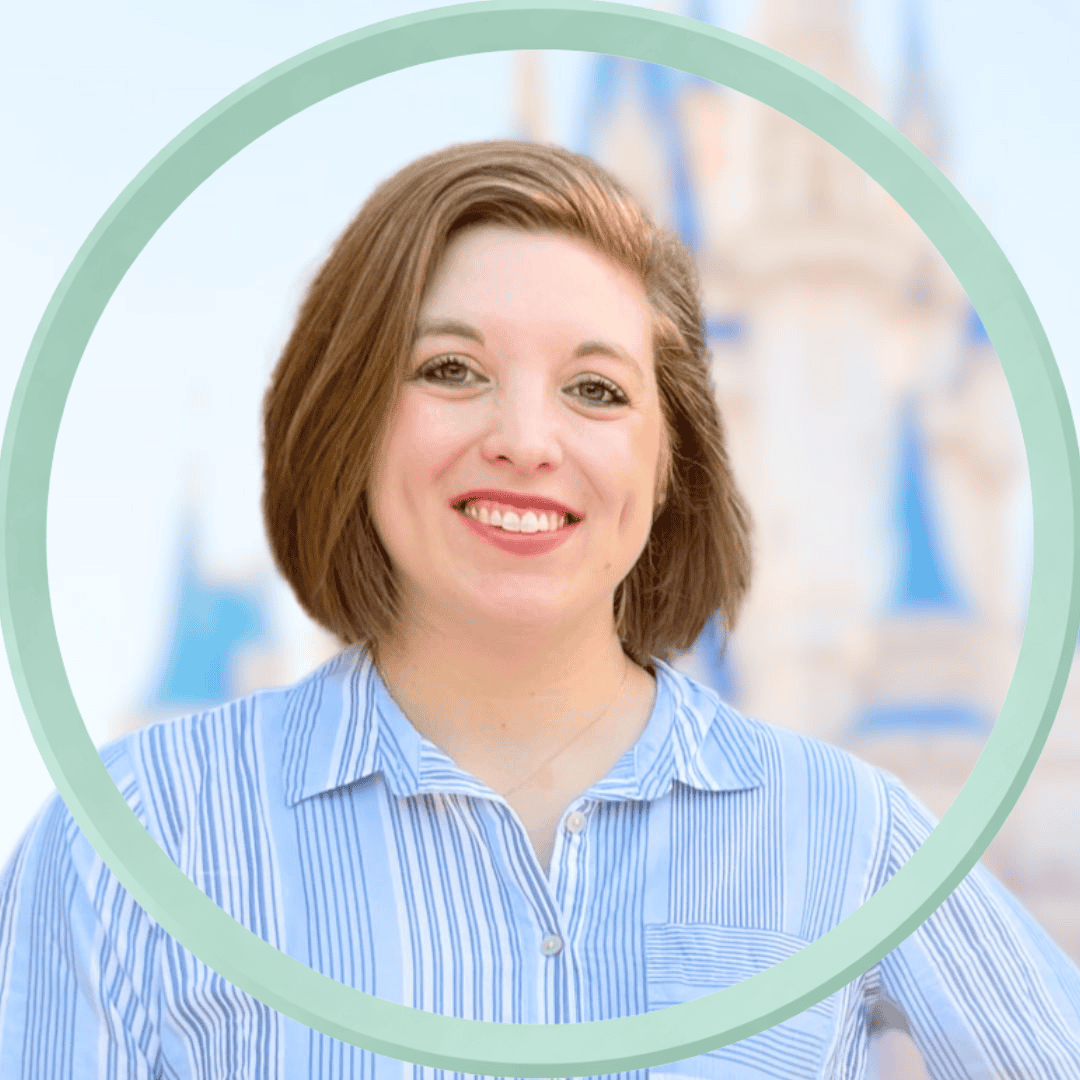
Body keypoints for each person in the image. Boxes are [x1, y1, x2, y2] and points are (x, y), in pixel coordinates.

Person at [1, 140, 1078, 1080]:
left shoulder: (846, 833)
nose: (526, 437)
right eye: (452, 368)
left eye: (598, 389)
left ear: (671, 462)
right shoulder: (136, 846)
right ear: (349, 424)